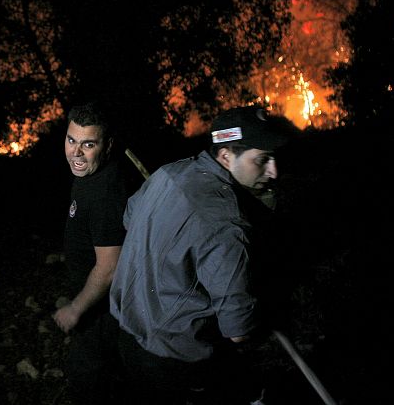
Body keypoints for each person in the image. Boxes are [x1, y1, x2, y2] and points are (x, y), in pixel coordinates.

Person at [109, 105, 300, 405]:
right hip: (178, 365)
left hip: (127, 339)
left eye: (274, 158)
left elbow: (130, 218)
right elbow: (238, 330)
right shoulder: (228, 226)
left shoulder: (167, 173)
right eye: (262, 160)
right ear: (226, 156)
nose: (274, 171)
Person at [52, 101, 131, 405]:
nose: (76, 152)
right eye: (71, 140)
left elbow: (110, 266)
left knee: (91, 383)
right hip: (92, 305)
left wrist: (76, 308)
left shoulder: (104, 192)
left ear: (106, 145)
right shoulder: (86, 175)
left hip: (101, 312)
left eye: (88, 144)